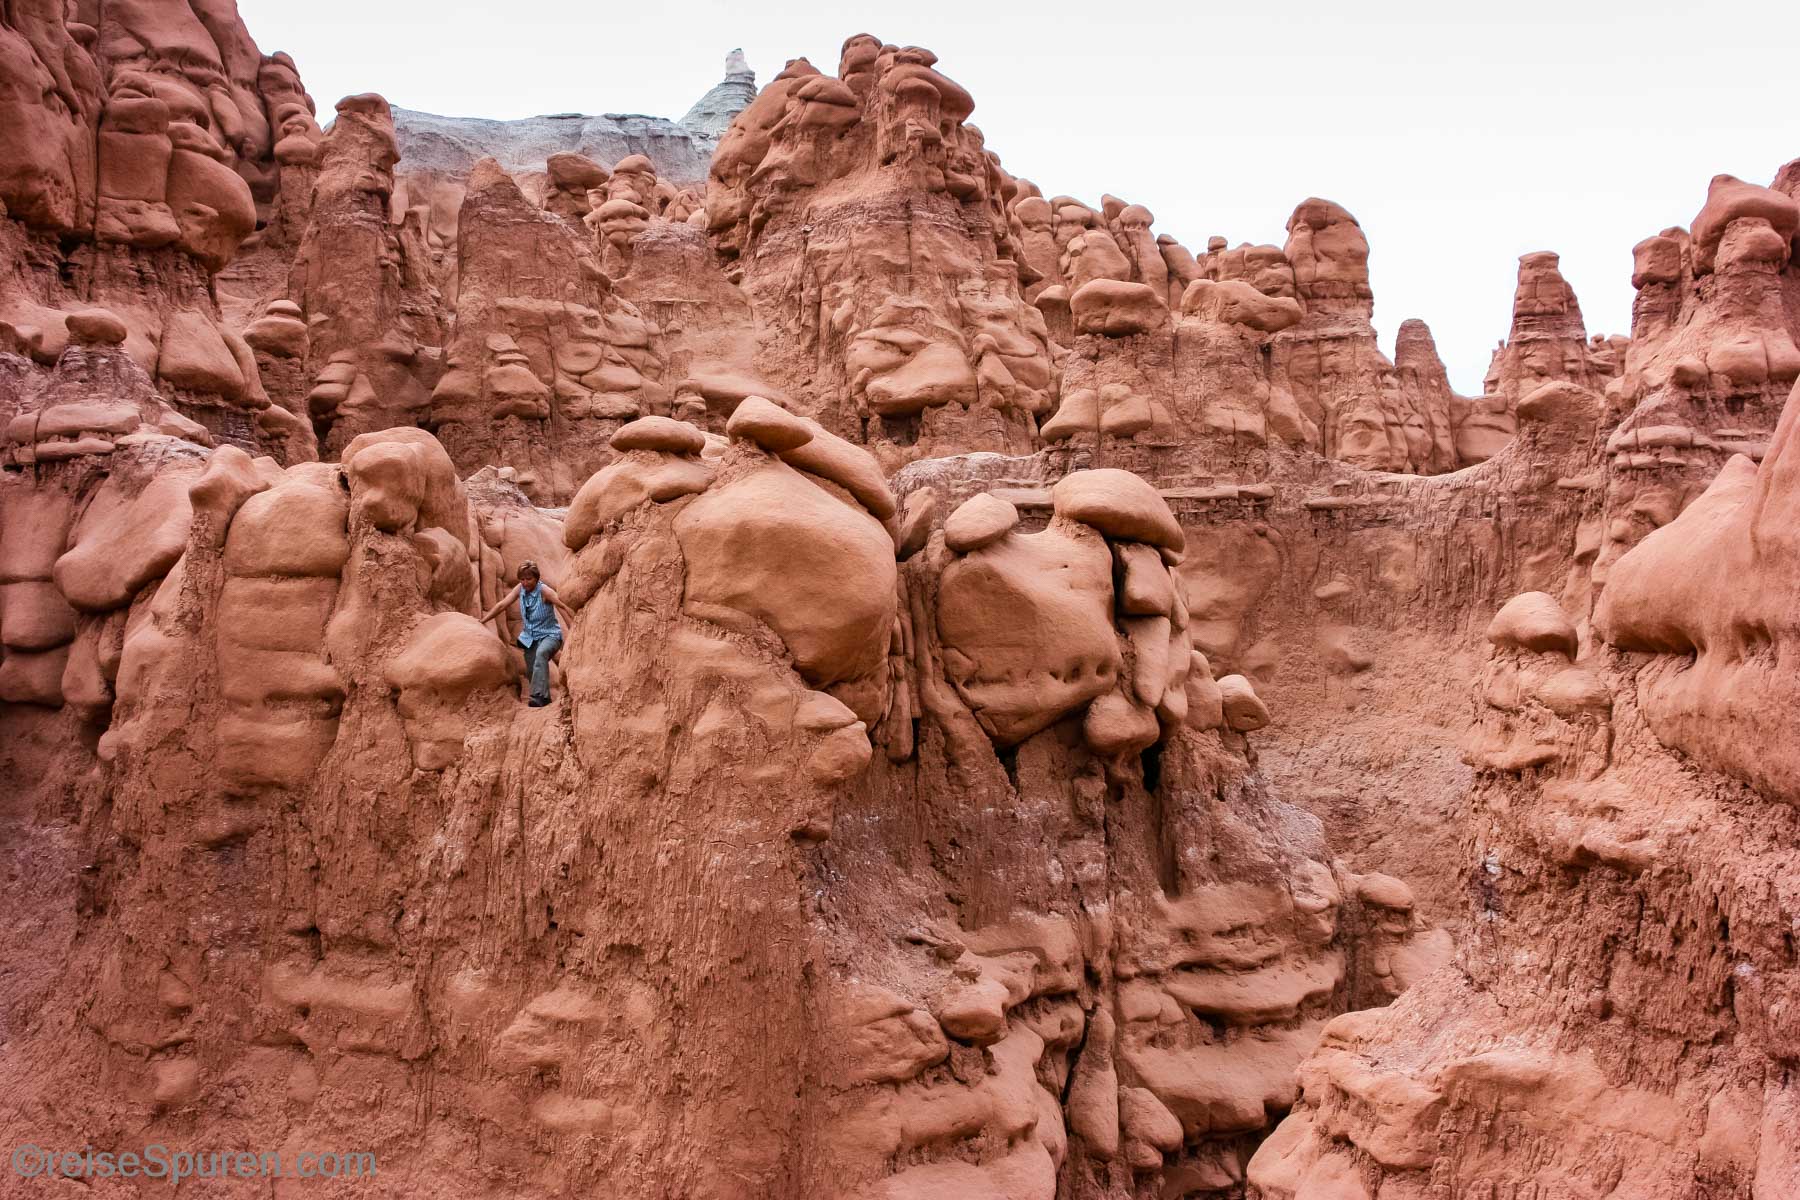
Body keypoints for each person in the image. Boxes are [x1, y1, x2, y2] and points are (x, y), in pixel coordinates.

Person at [480, 561, 576, 707]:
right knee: (531, 668)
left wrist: (574, 629)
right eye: (522, 579)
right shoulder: (520, 589)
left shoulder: (544, 591)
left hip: (550, 635)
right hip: (530, 637)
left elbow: (562, 606)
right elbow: (502, 605)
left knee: (541, 653)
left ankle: (538, 697)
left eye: (529, 579)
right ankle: (544, 699)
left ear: (536, 578)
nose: (525, 582)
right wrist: (483, 620)